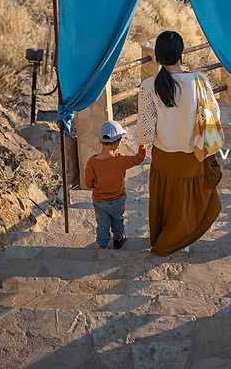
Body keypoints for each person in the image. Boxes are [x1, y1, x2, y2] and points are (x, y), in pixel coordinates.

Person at [138, 30, 222, 256]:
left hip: (163, 156)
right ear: (181, 53)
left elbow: (146, 132)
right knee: (185, 203)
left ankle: (165, 239)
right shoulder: (200, 82)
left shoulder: (148, 86)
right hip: (191, 155)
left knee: (165, 200)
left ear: (157, 55)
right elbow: (214, 116)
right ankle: (180, 240)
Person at [84, 121, 146, 249]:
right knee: (118, 220)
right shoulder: (121, 160)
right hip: (118, 200)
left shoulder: (92, 162)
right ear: (118, 142)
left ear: (100, 141)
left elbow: (88, 184)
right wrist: (142, 145)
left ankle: (103, 246)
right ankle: (118, 239)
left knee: (102, 224)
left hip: (99, 201)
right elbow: (138, 159)